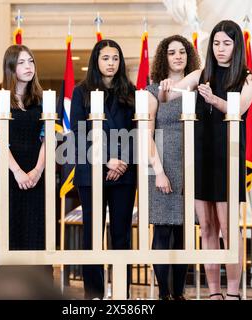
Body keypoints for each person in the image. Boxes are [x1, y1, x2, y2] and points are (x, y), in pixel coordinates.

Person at [160, 20, 252, 300]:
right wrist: (166, 87)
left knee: (228, 227)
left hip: (227, 158)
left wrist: (214, 100)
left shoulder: (247, 78)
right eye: (216, 43)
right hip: (200, 157)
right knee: (206, 226)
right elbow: (173, 92)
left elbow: (238, 109)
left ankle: (233, 291)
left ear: (236, 46)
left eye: (227, 43)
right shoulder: (201, 73)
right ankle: (214, 292)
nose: (220, 49)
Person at [0, 45, 52, 281]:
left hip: (36, 174)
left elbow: (48, 138)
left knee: (33, 231)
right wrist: (18, 172)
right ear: (10, 67)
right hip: (5, 172)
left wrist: (37, 171)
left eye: (31, 61)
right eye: (21, 62)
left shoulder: (42, 99)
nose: (28, 67)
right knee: (2, 231)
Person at [70, 39, 137, 299]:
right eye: (106, 58)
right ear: (96, 61)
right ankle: (94, 295)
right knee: (92, 235)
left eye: (115, 58)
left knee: (121, 235)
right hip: (92, 172)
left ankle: (122, 292)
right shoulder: (81, 91)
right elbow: (78, 131)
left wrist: (122, 162)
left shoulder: (131, 91)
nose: (111, 63)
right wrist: (106, 159)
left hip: (124, 173)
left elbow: (137, 132)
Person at [147, 35, 200, 300]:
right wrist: (158, 172)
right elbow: (144, 135)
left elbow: (203, 70)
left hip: (188, 165)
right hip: (161, 163)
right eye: (171, 52)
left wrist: (182, 84)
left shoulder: (197, 85)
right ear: (163, 58)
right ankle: (164, 293)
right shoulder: (153, 90)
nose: (178, 56)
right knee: (163, 229)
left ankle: (179, 294)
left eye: (182, 52)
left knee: (183, 231)